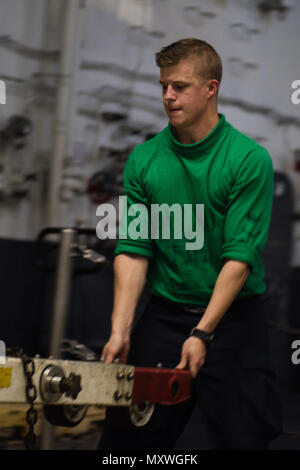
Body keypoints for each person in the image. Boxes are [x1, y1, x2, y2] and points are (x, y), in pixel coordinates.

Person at [97, 38, 282, 450]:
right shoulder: (144, 159)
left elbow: (239, 258)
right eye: (163, 85)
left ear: (210, 88)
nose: (168, 96)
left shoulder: (248, 160)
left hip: (234, 322)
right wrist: (120, 328)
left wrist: (202, 333)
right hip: (164, 318)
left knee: (245, 438)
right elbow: (133, 249)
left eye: (179, 86)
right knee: (126, 444)